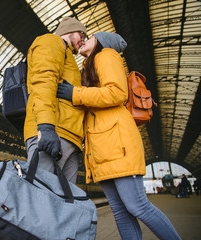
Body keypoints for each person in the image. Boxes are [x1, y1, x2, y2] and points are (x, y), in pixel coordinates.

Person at [57, 32, 181, 239]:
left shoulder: (105, 55)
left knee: (138, 206)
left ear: (102, 42)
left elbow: (117, 93)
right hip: (103, 147)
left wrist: (75, 94)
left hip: (117, 143)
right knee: (121, 212)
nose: (86, 38)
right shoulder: (90, 65)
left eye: (92, 36)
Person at [24, 17, 88, 184]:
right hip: (55, 131)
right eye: (82, 35)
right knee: (40, 195)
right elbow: (44, 82)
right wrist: (46, 127)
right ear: (71, 30)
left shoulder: (68, 55)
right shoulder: (51, 41)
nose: (83, 41)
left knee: (64, 202)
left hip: (70, 136)